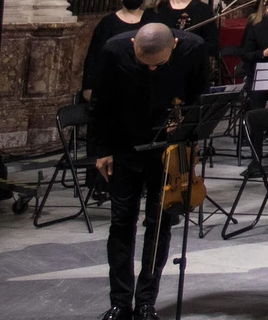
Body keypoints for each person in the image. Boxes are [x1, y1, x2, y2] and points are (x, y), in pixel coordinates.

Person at [88, 23, 211, 320]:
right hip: (124, 145)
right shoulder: (114, 49)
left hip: (167, 150)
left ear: (173, 49)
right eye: (146, 65)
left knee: (159, 225)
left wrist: (184, 126)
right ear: (133, 45)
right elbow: (100, 102)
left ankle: (146, 300)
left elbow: (201, 98)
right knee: (121, 223)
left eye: (160, 65)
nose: (153, 71)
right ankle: (120, 301)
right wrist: (101, 150)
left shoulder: (193, 48)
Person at [82, 0, 147, 100]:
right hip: (112, 80)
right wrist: (88, 86)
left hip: (143, 81)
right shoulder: (108, 22)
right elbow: (94, 55)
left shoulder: (151, 19)